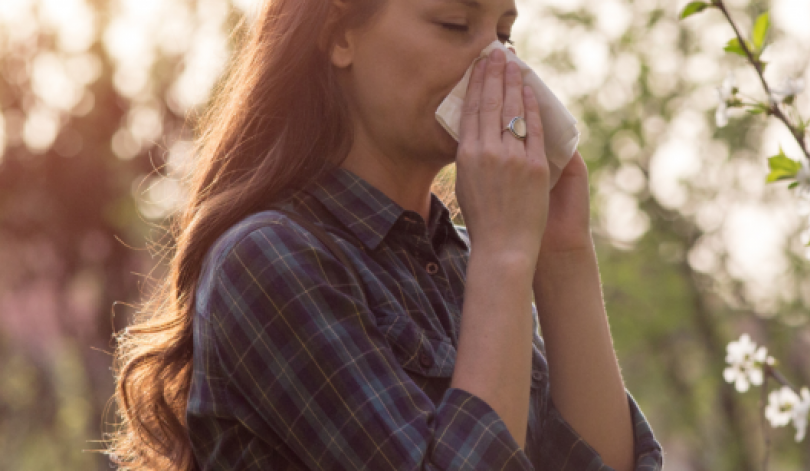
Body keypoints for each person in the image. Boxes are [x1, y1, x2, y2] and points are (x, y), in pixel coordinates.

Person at [109, 0, 664, 469]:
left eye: (504, 34)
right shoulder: (271, 259)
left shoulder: (470, 261)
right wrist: (505, 256)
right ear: (340, 34)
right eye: (454, 25)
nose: (500, 65)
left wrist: (563, 257)